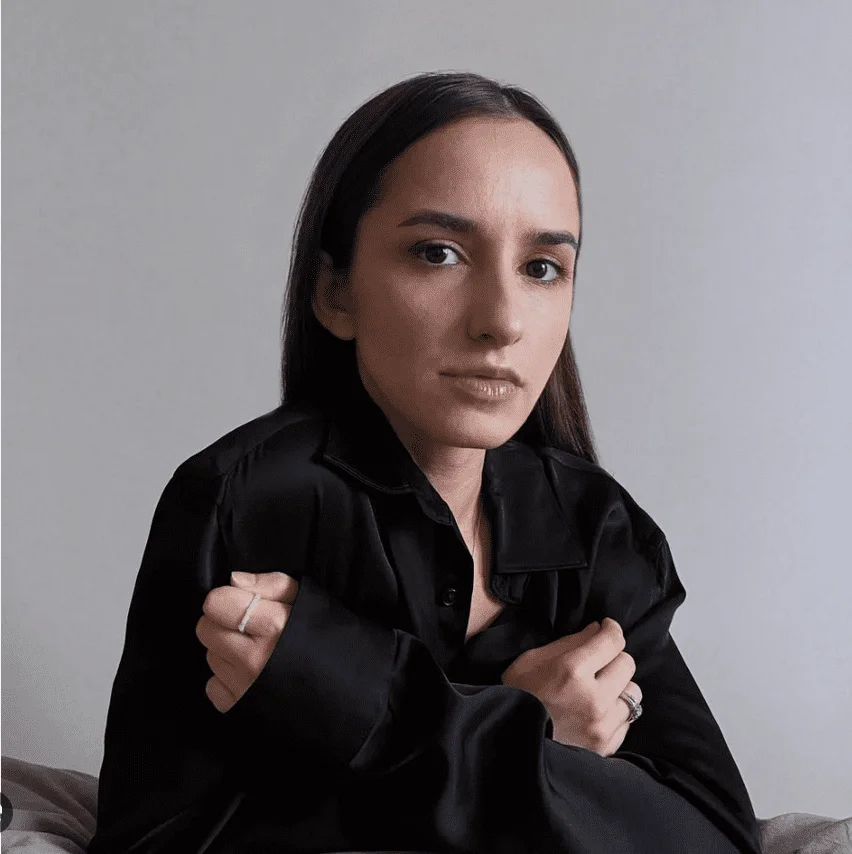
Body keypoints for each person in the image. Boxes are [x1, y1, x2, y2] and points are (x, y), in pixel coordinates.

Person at [86, 71, 763, 854]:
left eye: (542, 267)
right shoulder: (245, 504)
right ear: (336, 292)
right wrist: (535, 748)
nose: (501, 321)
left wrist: (393, 715)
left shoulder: (594, 527)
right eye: (439, 253)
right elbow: (157, 845)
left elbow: (716, 836)